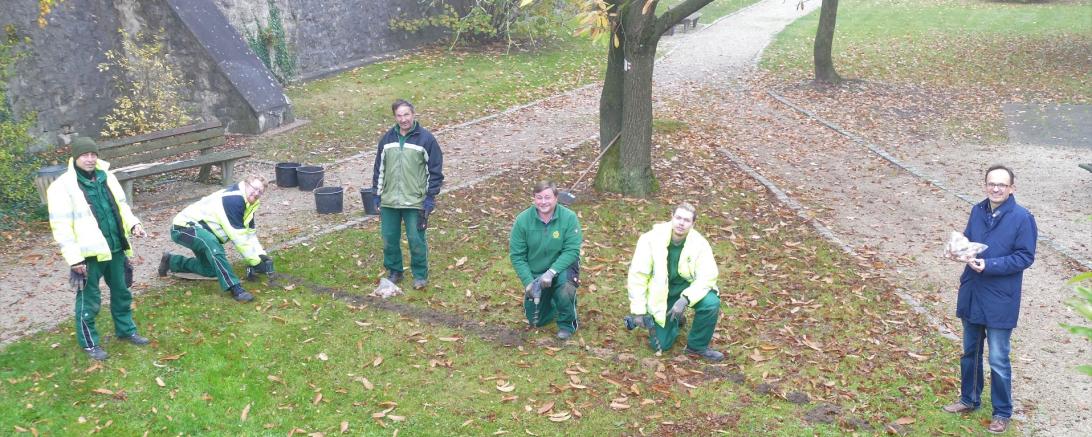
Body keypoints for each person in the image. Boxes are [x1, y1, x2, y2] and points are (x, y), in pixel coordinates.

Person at [942, 165, 1037, 434]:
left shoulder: (1022, 218)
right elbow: (970, 242)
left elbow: (1025, 257)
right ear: (985, 185)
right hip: (973, 293)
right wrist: (959, 251)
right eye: (991, 184)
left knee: (998, 358)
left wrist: (990, 265)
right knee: (970, 352)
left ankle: (1002, 412)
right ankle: (969, 399)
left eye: (1002, 185)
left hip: (1000, 298)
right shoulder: (977, 210)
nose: (996, 189)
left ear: (1011, 188)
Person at [47, 136, 151, 361]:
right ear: (75, 157)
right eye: (85, 155)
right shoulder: (61, 187)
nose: (90, 159)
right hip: (88, 255)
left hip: (115, 247)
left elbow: (121, 207)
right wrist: (74, 259)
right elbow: (61, 227)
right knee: (89, 300)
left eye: (93, 154)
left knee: (122, 292)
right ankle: (89, 343)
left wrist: (134, 224)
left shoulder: (108, 177)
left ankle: (126, 330)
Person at [626, 203, 724, 361]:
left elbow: (707, 276)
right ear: (671, 217)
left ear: (693, 224)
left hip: (688, 288)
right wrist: (638, 311)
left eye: (686, 220)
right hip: (661, 292)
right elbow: (638, 276)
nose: (681, 223)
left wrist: (685, 299)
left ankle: (697, 347)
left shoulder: (700, 244)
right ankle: (675, 320)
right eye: (678, 218)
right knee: (661, 345)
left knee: (711, 302)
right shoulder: (650, 239)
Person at [159, 175, 273, 303]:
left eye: (260, 192)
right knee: (213, 246)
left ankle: (171, 261)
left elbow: (250, 234)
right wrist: (255, 263)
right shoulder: (234, 200)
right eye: (254, 188)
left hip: (204, 231)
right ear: (246, 184)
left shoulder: (250, 205)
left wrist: (261, 256)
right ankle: (235, 288)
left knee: (210, 270)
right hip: (183, 227)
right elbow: (239, 237)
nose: (256, 193)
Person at [370, 99, 444, 290]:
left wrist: (429, 198)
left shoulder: (426, 139)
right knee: (389, 239)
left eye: (406, 114)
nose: (403, 119)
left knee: (416, 239)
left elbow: (435, 171)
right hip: (389, 201)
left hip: (415, 201)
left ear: (413, 114)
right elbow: (379, 168)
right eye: (399, 115)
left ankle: (420, 275)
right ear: (395, 117)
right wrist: (377, 194)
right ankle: (395, 271)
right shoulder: (387, 139)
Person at [509, 181, 583, 339]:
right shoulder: (522, 220)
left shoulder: (569, 217)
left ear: (556, 198)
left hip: (561, 268)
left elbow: (572, 250)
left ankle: (567, 324)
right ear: (534, 199)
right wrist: (529, 282)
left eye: (547, 197)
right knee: (537, 320)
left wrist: (551, 272)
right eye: (539, 197)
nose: (543, 202)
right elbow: (517, 256)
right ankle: (554, 301)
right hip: (536, 272)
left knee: (565, 289)